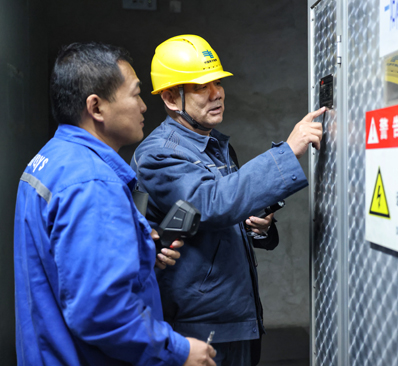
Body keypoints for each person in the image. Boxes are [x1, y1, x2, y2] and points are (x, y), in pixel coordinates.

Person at [14, 42, 216, 365]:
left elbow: (68, 270)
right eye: (136, 94)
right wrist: (179, 351)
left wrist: (141, 254)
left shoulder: (50, 160)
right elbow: (101, 311)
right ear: (96, 107)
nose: (144, 107)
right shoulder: (92, 183)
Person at [131, 34, 325, 365]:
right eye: (199, 86)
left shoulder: (216, 146)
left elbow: (223, 214)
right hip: (197, 326)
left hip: (237, 318)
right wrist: (288, 150)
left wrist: (258, 226)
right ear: (169, 97)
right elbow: (209, 204)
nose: (216, 92)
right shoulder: (158, 153)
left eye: (217, 82)